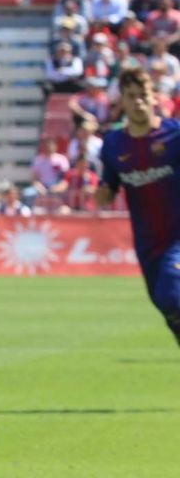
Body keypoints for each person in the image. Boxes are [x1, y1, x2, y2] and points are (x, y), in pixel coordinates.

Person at [95, 68, 180, 347]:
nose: (139, 102)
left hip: (177, 238)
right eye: (132, 96)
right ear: (123, 101)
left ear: (154, 97)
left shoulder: (174, 135)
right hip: (147, 244)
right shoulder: (113, 144)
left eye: (143, 95)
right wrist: (103, 195)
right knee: (164, 304)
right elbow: (108, 189)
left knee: (171, 295)